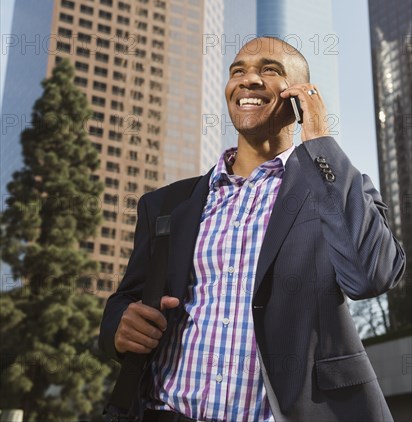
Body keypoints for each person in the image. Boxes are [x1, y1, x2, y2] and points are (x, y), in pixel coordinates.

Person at [99, 37, 405, 422]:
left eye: (269, 70)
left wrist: (321, 142)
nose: (248, 80)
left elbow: (370, 276)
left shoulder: (336, 190)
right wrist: (118, 325)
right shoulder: (166, 205)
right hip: (165, 411)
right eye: (238, 71)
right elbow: (125, 300)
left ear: (301, 96)